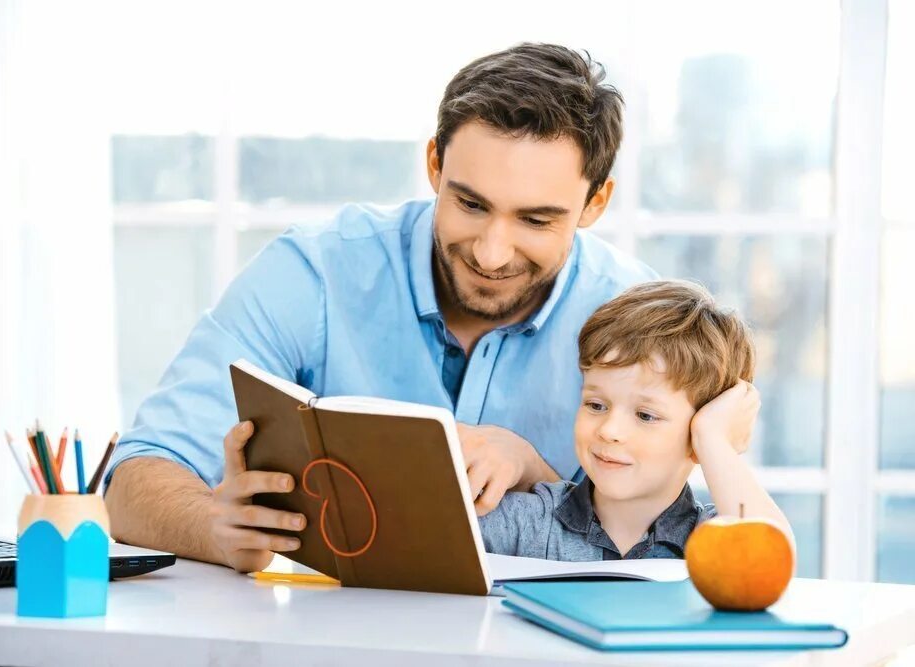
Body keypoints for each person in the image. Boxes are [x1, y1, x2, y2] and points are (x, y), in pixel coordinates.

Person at [103, 43, 745, 574]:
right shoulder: (316, 272)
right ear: (435, 164)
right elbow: (134, 480)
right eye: (470, 204)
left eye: (536, 220)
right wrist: (210, 526)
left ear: (596, 204)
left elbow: (680, 528)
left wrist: (532, 469)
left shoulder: (635, 322)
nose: (493, 254)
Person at [479, 280, 794, 560]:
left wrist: (714, 440)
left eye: (646, 415)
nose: (610, 430)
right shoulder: (526, 520)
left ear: (696, 436)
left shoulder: (712, 538)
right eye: (596, 405)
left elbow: (772, 558)